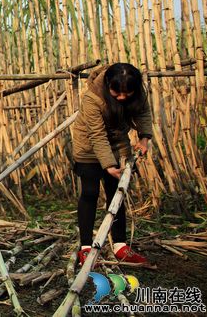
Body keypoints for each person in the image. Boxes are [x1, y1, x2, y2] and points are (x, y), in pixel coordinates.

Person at [72, 62, 152, 266]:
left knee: (117, 194)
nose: (123, 97)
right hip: (89, 147)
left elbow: (143, 112)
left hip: (119, 145)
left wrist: (144, 138)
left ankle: (120, 246)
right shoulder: (92, 98)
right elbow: (97, 135)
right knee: (89, 193)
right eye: (117, 93)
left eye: (127, 93)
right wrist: (108, 166)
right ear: (108, 84)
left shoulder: (136, 90)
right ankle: (86, 248)